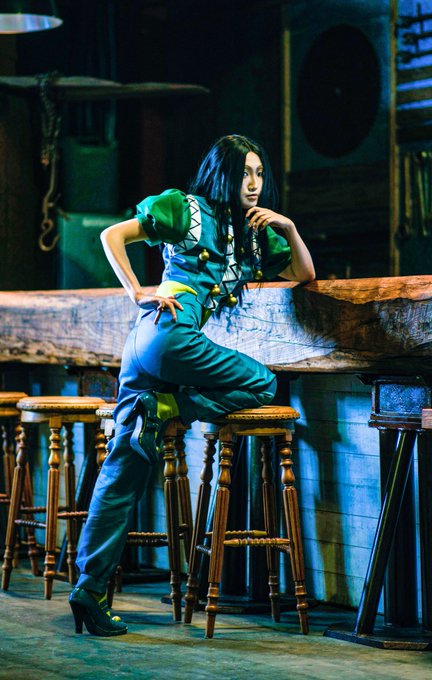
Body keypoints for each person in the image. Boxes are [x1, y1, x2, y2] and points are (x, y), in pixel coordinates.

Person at [68, 133, 315, 636]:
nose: (253, 183)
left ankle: (88, 592)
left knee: (122, 470)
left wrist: (288, 226)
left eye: (259, 174)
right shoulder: (186, 209)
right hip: (171, 334)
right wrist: (137, 289)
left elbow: (304, 272)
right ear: (222, 174)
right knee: (263, 382)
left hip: (144, 344)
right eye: (244, 173)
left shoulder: (253, 235)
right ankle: (171, 405)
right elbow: (112, 235)